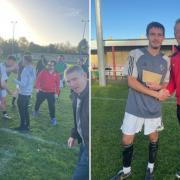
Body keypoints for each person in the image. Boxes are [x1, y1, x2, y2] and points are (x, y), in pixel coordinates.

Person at [111, 22, 170, 180]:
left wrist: (160, 87)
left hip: (153, 108)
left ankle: (150, 168)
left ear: (163, 37)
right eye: (152, 34)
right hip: (134, 106)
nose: (156, 38)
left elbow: (166, 83)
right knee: (126, 138)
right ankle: (126, 170)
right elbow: (130, 81)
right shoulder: (134, 54)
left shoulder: (166, 60)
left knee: (153, 137)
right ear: (147, 36)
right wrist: (154, 93)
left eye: (159, 34)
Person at [65, 65, 89, 180]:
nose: (72, 84)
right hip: (84, 142)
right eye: (68, 81)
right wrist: (73, 134)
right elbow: (77, 117)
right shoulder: (75, 94)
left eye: (74, 79)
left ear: (84, 76)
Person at [33, 60, 60, 125]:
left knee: (52, 106)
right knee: (38, 102)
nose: (49, 66)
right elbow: (38, 80)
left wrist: (57, 93)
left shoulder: (56, 74)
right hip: (42, 91)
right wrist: (37, 87)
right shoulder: (43, 71)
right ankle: (36, 111)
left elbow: (57, 84)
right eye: (48, 64)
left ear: (54, 66)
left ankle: (53, 118)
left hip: (51, 93)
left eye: (51, 65)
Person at [14, 55, 35, 131]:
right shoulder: (33, 68)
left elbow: (23, 84)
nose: (22, 61)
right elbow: (32, 80)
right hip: (28, 93)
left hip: (23, 94)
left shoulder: (25, 70)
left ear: (26, 60)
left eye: (23, 60)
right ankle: (27, 125)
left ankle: (23, 126)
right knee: (25, 110)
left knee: (22, 110)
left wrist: (15, 80)